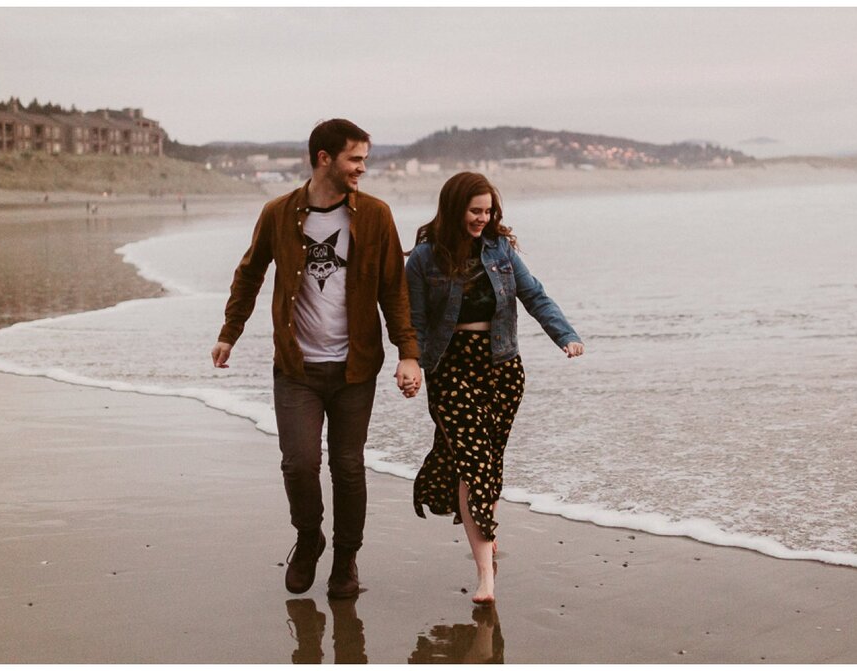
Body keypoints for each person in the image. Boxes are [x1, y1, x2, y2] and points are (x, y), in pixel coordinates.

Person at [211, 119, 421, 599]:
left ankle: (345, 560)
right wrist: (230, 333)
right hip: (297, 368)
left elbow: (394, 288)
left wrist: (408, 353)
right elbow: (249, 274)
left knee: (348, 467)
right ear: (324, 159)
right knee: (299, 464)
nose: (362, 169)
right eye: (355, 159)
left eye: (364, 159)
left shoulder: (374, 215)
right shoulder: (278, 214)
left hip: (355, 367)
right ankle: (310, 538)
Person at [404, 172, 584, 604]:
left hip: (502, 366)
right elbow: (412, 319)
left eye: (488, 211)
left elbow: (535, 296)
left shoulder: (500, 249)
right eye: (475, 211)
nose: (483, 218)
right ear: (454, 209)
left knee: (489, 462)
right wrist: (410, 362)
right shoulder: (425, 258)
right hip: (450, 368)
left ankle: (483, 531)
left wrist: (565, 335)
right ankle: (486, 575)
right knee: (475, 464)